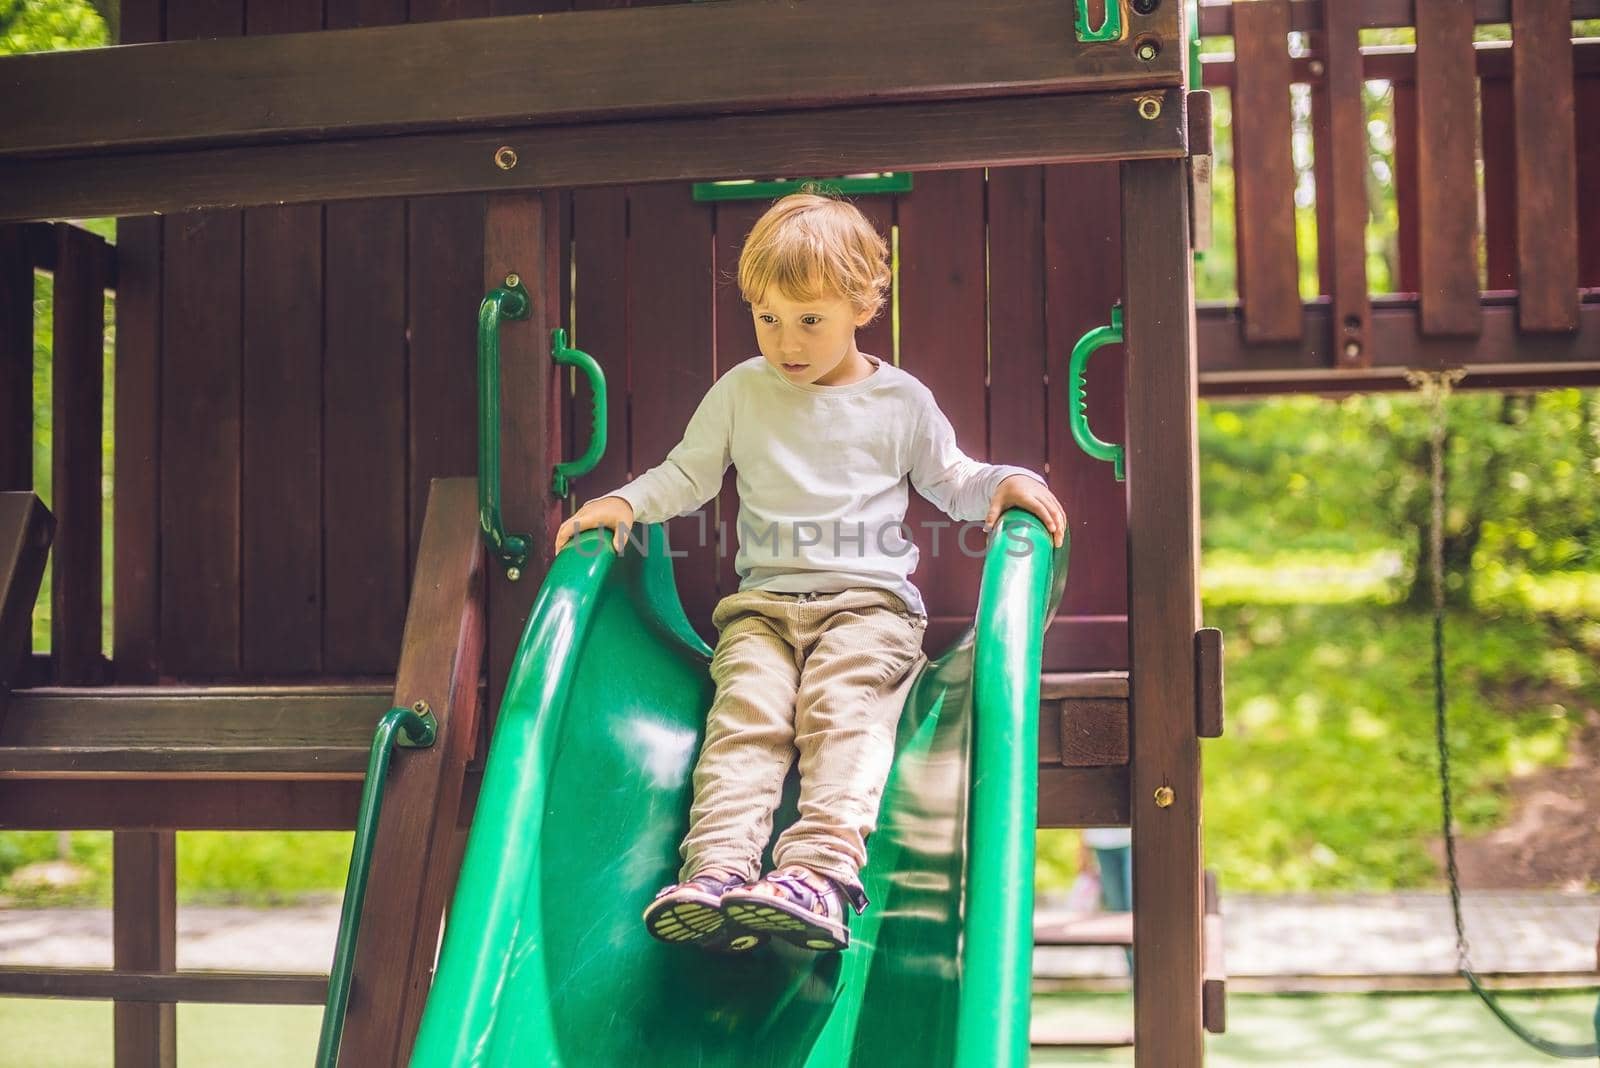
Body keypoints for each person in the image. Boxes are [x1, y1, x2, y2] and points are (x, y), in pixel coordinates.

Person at [552, 188, 1067, 953]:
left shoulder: (900, 402)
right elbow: (687, 474)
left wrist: (1005, 485)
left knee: (842, 713)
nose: (786, 341)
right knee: (746, 721)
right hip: (761, 610)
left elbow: (953, 480)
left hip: (870, 611)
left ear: (862, 305)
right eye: (768, 318)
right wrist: (624, 504)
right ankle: (718, 872)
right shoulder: (742, 392)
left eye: (810, 320)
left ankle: (818, 874)